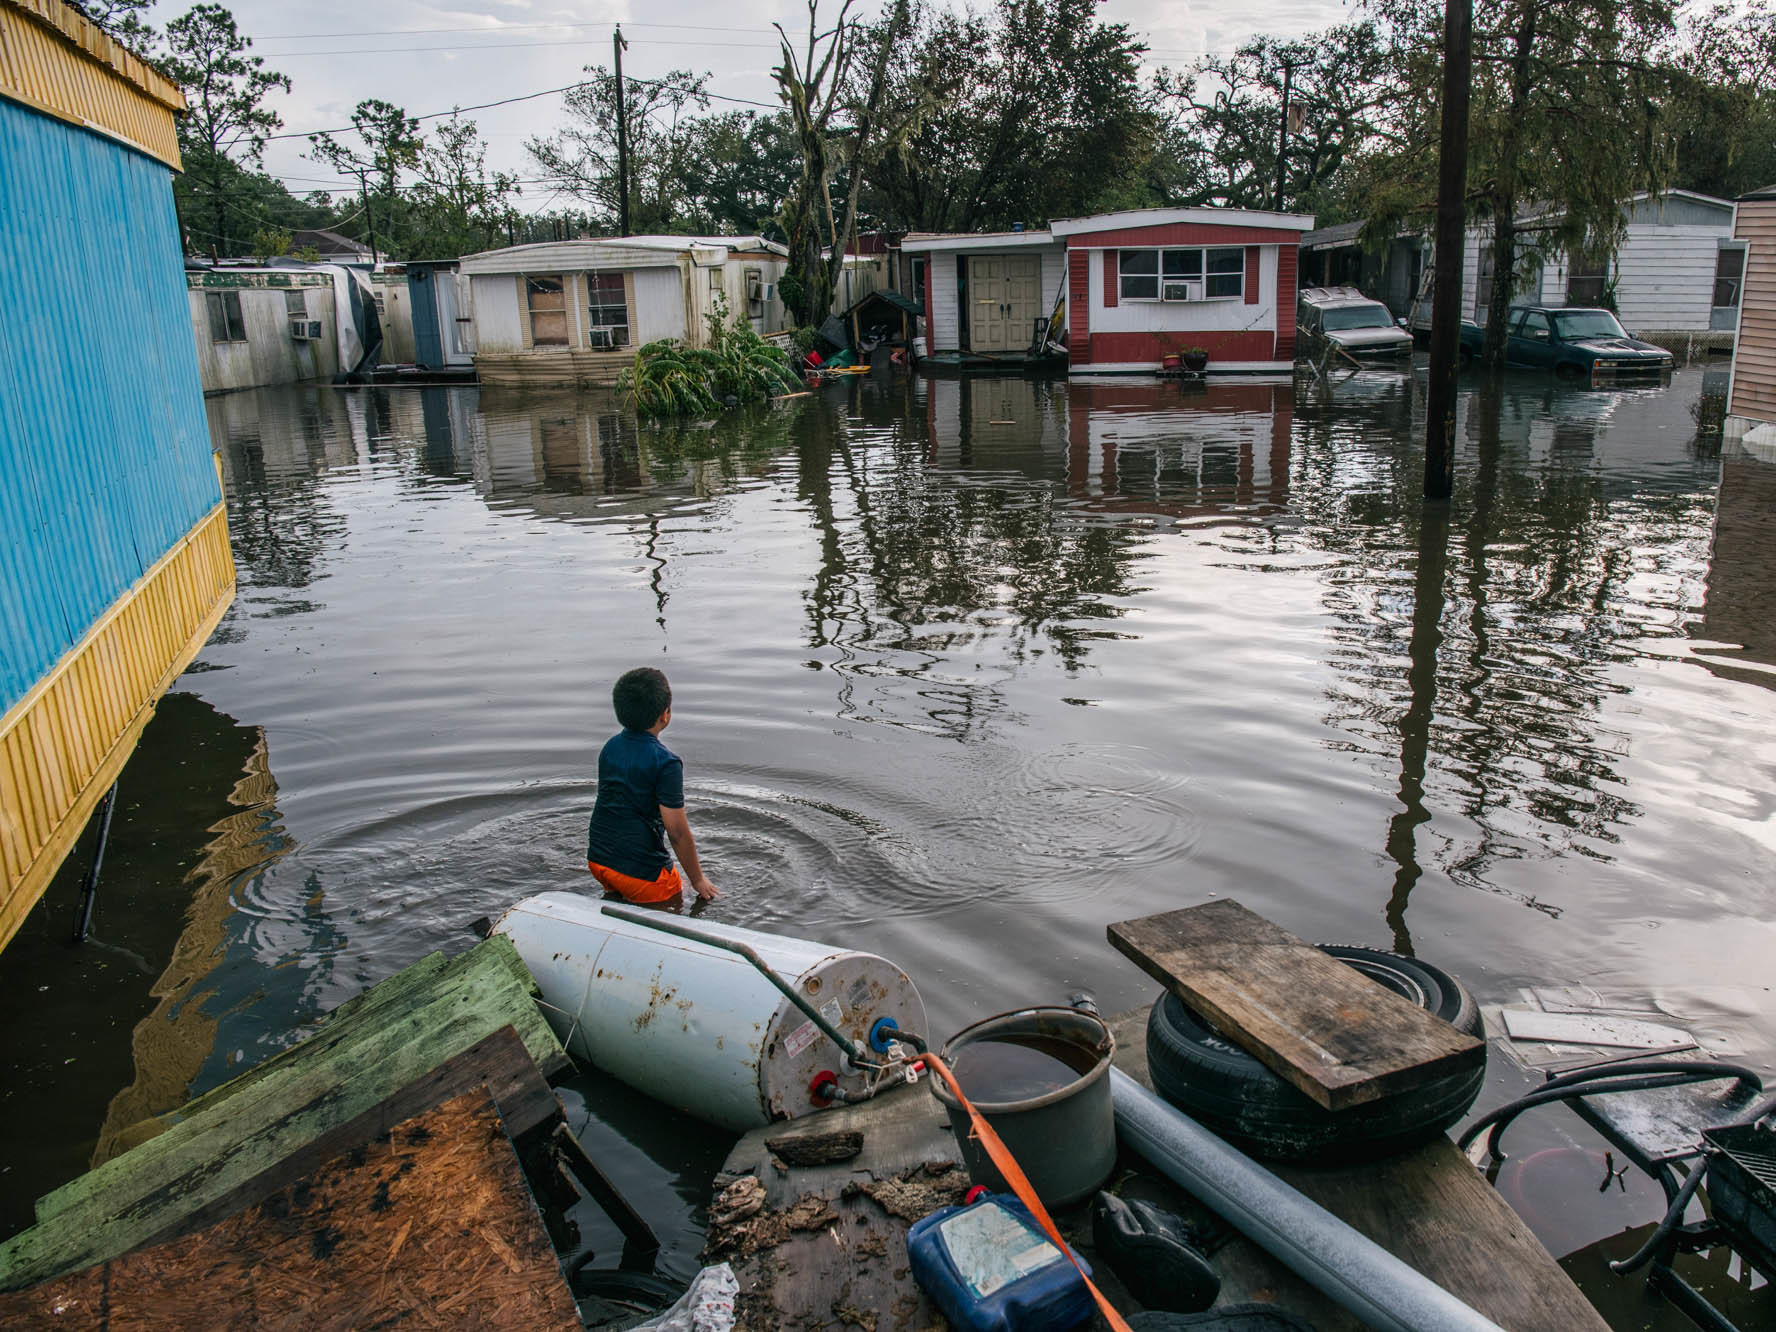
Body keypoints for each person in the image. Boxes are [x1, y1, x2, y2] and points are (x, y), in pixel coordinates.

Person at [586, 667, 719, 904]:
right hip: (641, 875)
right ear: (665, 715)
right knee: (679, 901)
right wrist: (698, 879)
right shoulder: (666, 763)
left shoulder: (610, 747)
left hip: (599, 861)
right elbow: (677, 832)